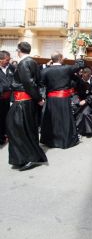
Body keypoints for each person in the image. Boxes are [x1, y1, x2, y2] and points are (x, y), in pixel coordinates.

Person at [6, 42, 47, 171]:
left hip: (23, 102)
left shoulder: (24, 63)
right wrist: (38, 98)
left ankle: (29, 157)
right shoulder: (32, 62)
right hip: (26, 101)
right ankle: (23, 157)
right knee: (26, 129)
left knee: (17, 129)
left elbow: (29, 84)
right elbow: (38, 81)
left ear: (19, 50)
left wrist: (39, 99)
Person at [40, 52, 84, 149]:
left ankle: (50, 141)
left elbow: (41, 84)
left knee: (52, 120)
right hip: (63, 98)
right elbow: (80, 65)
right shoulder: (67, 68)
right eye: (62, 58)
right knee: (64, 120)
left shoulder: (45, 71)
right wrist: (80, 54)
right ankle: (64, 141)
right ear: (60, 58)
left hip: (51, 99)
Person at [75, 67, 92, 138]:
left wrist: (86, 101)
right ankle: (79, 130)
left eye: (86, 77)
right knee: (74, 110)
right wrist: (77, 101)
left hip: (91, 103)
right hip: (79, 102)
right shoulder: (79, 82)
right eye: (83, 76)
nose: (84, 78)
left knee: (85, 113)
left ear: (89, 75)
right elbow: (75, 93)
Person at [0, 51, 14, 145]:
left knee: (6, 118)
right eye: (6, 60)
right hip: (1, 96)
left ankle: (4, 135)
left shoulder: (11, 68)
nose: (8, 62)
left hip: (8, 98)